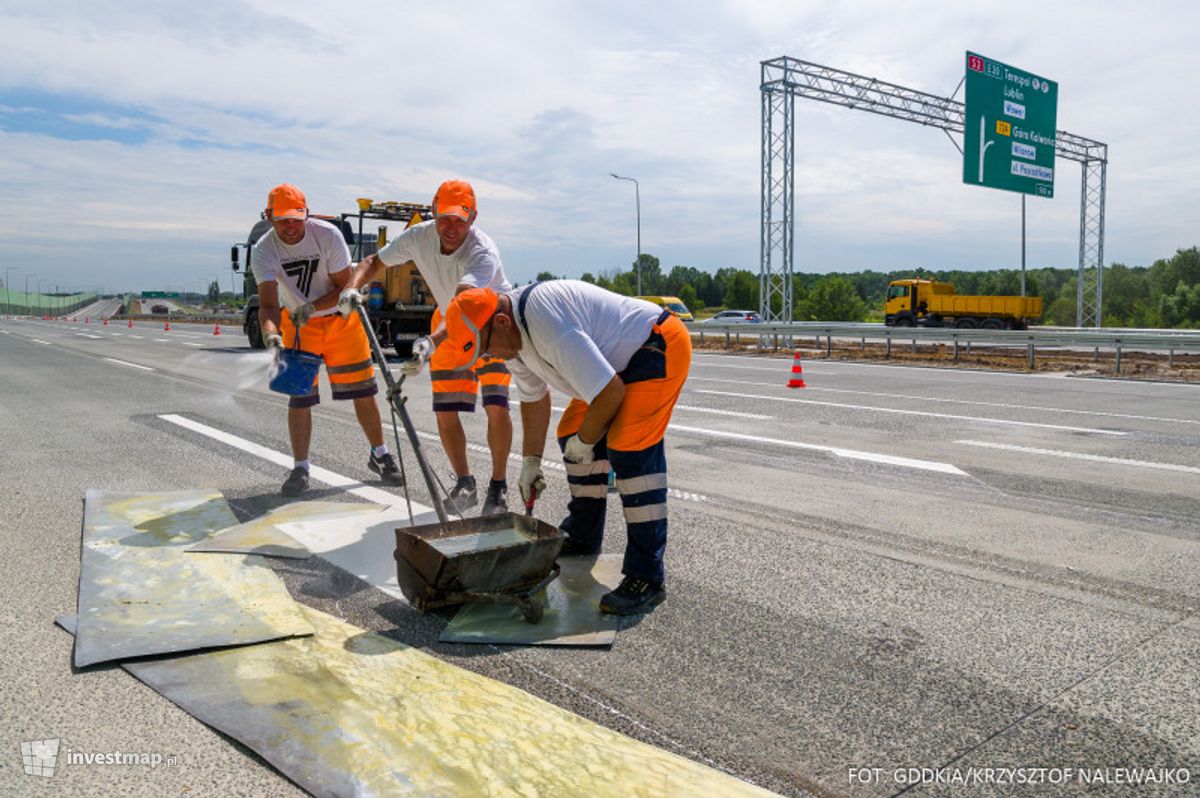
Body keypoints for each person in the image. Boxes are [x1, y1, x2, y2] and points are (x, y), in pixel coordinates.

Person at [439, 280, 691, 615]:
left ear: (500, 322)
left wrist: (588, 442)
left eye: (486, 349)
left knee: (628, 449)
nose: (491, 357)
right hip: (618, 364)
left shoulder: (544, 322)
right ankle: (584, 534)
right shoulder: (510, 338)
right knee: (570, 429)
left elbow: (609, 393)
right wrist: (531, 462)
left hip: (657, 344)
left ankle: (646, 575)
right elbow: (533, 398)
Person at [341, 180, 513, 516]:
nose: (451, 228)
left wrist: (430, 342)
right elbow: (373, 262)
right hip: (448, 318)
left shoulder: (482, 252)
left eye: (460, 220)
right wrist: (350, 288)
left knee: (496, 405)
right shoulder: (419, 236)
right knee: (445, 409)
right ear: (434, 212)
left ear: (473, 218)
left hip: (491, 323)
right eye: (445, 218)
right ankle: (465, 482)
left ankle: (498, 485)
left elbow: (466, 310)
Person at [251, 183, 403, 497]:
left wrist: (312, 307)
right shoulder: (263, 250)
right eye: (283, 220)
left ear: (306, 214)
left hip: (341, 321)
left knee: (363, 392)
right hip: (297, 326)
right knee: (300, 398)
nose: (291, 227)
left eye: (297, 219)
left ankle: (380, 454)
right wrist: (271, 334)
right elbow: (267, 304)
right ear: (269, 216)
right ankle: (301, 467)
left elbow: (344, 287)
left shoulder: (327, 236)